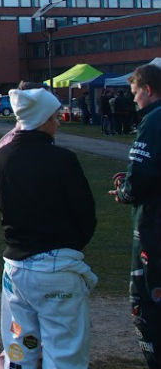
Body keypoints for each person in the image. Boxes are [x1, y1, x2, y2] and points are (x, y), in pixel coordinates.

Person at [0, 88, 97, 369]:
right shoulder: (62, 159)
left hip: (15, 268)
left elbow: (2, 205)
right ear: (42, 120)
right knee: (64, 351)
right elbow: (85, 215)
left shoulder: (1, 159)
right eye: (54, 116)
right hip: (56, 269)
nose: (58, 121)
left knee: (19, 345)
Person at [108, 63, 160, 368]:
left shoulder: (152, 122)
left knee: (147, 304)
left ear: (148, 89)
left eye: (135, 92)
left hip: (153, 228)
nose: (134, 99)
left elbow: (140, 177)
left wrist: (125, 191)